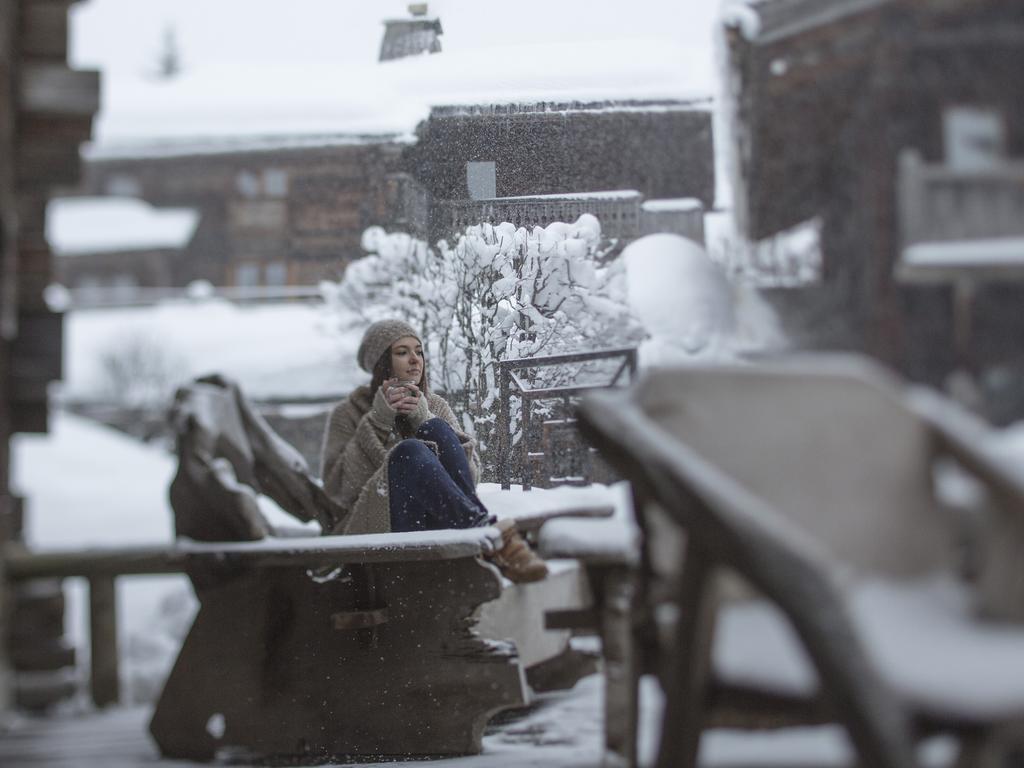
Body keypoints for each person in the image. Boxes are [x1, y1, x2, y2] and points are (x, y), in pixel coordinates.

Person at [320, 319, 547, 583]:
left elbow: (468, 482)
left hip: (441, 522)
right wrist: (378, 421)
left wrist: (422, 418)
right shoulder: (348, 413)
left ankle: (480, 531)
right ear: (382, 362)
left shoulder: (436, 405)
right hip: (375, 527)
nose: (415, 360)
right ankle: (490, 537)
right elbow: (338, 492)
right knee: (409, 452)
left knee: (436, 428)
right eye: (402, 352)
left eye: (419, 351)